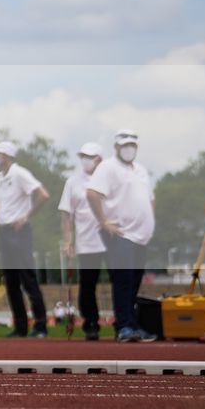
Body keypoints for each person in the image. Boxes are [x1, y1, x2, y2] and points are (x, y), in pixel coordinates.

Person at [87, 128, 157, 343]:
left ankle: (130, 323)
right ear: (116, 147)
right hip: (121, 233)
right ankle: (125, 325)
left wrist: (149, 222)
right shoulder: (108, 167)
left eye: (132, 145)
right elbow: (92, 193)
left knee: (134, 281)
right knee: (123, 280)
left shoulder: (141, 170)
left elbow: (150, 198)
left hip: (140, 236)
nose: (129, 149)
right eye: (125, 145)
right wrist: (104, 222)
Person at [0, 140, 51, 338]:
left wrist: (26, 216)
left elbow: (43, 194)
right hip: (4, 230)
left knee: (28, 278)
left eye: (0, 154)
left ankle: (41, 325)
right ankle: (20, 327)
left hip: (19, 231)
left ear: (8, 156)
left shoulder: (19, 173)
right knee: (11, 282)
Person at [60, 140, 108, 342]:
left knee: (122, 282)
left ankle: (124, 322)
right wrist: (67, 241)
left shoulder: (111, 179)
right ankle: (91, 323)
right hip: (87, 242)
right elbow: (66, 214)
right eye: (83, 157)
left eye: (90, 157)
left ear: (100, 160)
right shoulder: (73, 182)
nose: (85, 161)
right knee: (88, 285)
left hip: (112, 240)